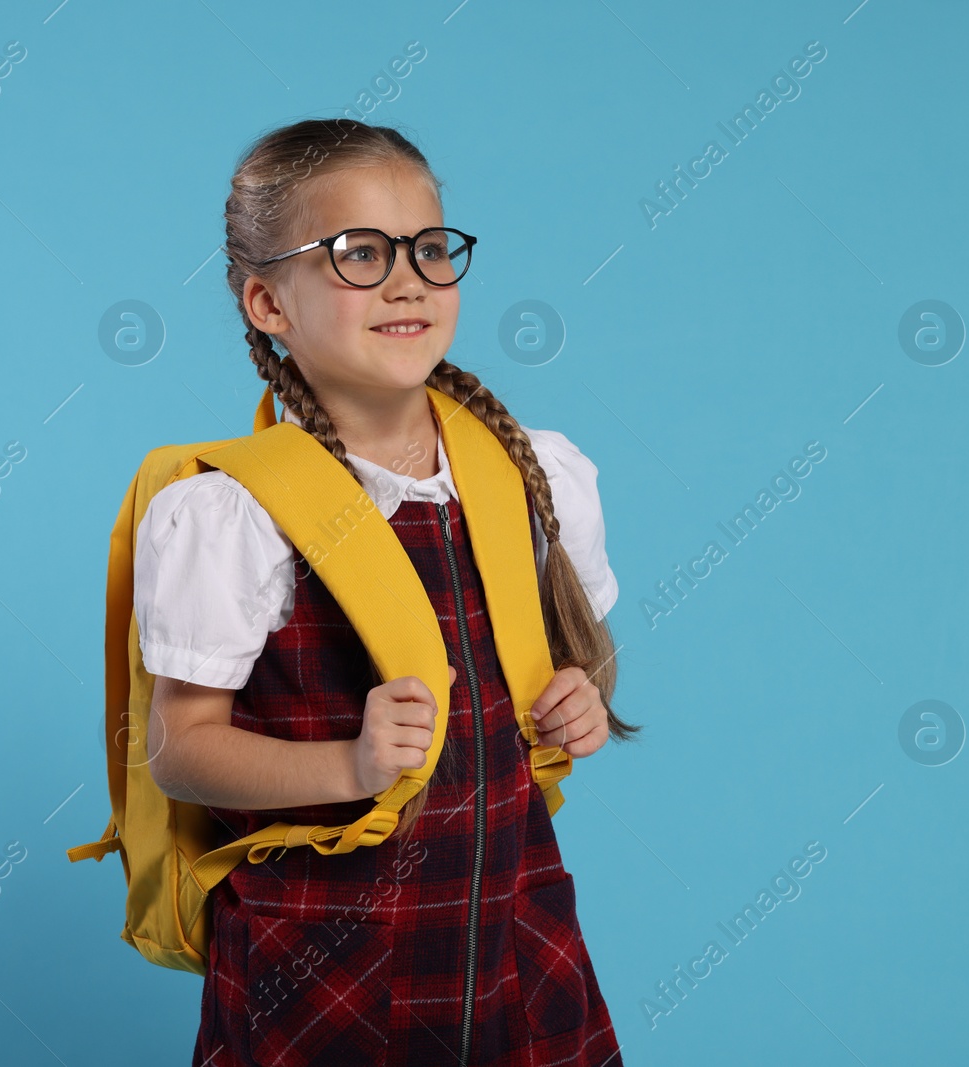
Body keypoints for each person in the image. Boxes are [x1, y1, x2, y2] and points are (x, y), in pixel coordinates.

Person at [133, 117, 636, 1067]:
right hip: (322, 967)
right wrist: (349, 768)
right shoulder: (232, 513)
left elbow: (577, 647)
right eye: (357, 253)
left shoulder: (533, 471)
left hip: (513, 940)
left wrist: (582, 699)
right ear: (267, 302)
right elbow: (178, 749)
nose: (407, 278)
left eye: (429, 248)